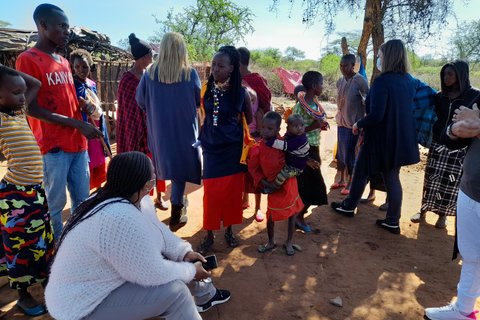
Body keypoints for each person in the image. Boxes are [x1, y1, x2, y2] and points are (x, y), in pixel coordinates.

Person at [45, 152, 231, 320]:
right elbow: (152, 272)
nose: (155, 177)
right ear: (142, 184)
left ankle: (206, 296)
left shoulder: (131, 198)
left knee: (173, 258)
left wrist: (182, 253)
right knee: (176, 293)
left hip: (96, 287)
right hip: (80, 307)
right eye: (151, 174)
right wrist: (191, 272)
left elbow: (157, 230)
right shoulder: (118, 215)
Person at [16, 4, 103, 241]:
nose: (67, 31)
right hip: (53, 147)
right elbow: (30, 108)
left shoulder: (64, 62)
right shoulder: (28, 59)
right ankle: (56, 253)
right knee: (55, 205)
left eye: (68, 26)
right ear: (43, 26)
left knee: (82, 201)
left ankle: (77, 245)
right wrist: (76, 124)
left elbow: (66, 98)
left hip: (78, 144)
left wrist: (82, 105)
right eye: (62, 26)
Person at [331, 39, 420, 235]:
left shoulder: (382, 81)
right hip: (398, 139)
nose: (378, 60)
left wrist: (358, 124)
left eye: (379, 56)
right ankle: (392, 221)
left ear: (387, 58)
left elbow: (377, 115)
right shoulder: (409, 80)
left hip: (378, 139)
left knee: (362, 171)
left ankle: (348, 206)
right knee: (392, 178)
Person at [0, 65, 55, 316]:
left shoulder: (19, 112)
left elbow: (36, 84)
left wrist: (3, 69)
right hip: (14, 195)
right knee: (19, 246)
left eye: (22, 92)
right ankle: (23, 295)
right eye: (15, 92)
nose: (23, 97)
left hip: (35, 192)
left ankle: (47, 281)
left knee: (42, 240)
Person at [136, 32, 202, 231]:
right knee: (179, 173)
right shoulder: (190, 74)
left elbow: (140, 102)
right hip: (184, 131)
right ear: (182, 50)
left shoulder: (150, 73)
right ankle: (176, 213)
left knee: (159, 168)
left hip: (160, 131)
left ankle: (144, 213)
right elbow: (199, 101)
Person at [424, 104, 480, 319]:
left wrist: (477, 126)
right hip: (470, 189)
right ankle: (464, 310)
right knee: (471, 256)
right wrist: (454, 130)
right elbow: (452, 135)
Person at [197, 46, 253, 255]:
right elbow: (203, 113)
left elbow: (249, 119)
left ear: (232, 68)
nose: (215, 69)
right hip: (211, 149)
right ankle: (210, 235)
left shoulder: (241, 93)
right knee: (210, 194)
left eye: (221, 66)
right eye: (213, 65)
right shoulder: (206, 89)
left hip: (232, 150)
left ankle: (229, 231)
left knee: (231, 194)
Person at [410, 60, 480, 229]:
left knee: (450, 183)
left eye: (450, 74)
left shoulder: (473, 96)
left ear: (461, 75)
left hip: (460, 148)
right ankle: (424, 210)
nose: (446, 78)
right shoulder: (440, 96)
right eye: (444, 74)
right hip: (438, 141)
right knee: (430, 179)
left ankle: (443, 215)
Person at [116, 33, 168, 210]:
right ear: (143, 57)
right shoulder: (127, 80)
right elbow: (128, 112)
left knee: (156, 166)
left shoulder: (150, 76)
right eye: (150, 56)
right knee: (139, 168)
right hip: (135, 132)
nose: (152, 58)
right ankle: (138, 201)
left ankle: (159, 198)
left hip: (152, 131)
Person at [248, 111, 304, 255]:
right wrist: (266, 184)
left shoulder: (284, 144)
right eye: (263, 127)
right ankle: (271, 242)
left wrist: (307, 161)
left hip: (288, 183)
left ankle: (289, 242)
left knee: (291, 214)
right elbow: (254, 169)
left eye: (270, 129)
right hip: (271, 186)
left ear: (278, 130)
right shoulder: (257, 148)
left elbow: (297, 156)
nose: (265, 131)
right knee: (271, 216)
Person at [292, 71, 329, 233]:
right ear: (314, 86)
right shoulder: (300, 107)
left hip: (313, 148)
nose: (323, 87)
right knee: (315, 185)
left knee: (307, 184)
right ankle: (299, 216)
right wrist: (314, 127)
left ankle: (297, 214)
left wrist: (320, 126)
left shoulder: (315, 105)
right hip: (303, 150)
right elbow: (294, 131)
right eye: (321, 84)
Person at [70, 49, 111, 190]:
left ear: (90, 66)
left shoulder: (92, 84)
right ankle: (86, 192)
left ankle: (98, 188)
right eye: (77, 67)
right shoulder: (71, 85)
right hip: (83, 127)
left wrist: (92, 109)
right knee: (86, 160)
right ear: (73, 67)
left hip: (97, 124)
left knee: (98, 157)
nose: (81, 70)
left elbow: (97, 106)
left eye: (85, 67)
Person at [238, 46, 271, 223]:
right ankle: (245, 200)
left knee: (257, 170)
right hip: (240, 134)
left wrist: (263, 127)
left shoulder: (256, 80)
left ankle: (258, 207)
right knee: (244, 169)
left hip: (256, 134)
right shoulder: (233, 79)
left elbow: (267, 103)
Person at [331, 54, 369, 195]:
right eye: (341, 66)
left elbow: (367, 101)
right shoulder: (340, 81)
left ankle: (350, 182)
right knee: (340, 153)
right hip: (341, 122)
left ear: (353, 66)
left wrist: (362, 123)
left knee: (350, 154)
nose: (342, 68)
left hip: (353, 124)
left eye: (345, 66)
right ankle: (341, 180)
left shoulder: (361, 81)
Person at [261, 113, 309, 194]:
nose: (299, 128)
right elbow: (285, 138)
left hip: (295, 167)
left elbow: (285, 145)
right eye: (295, 126)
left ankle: (273, 187)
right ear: (288, 128)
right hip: (290, 162)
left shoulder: (301, 140)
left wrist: (271, 142)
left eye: (302, 125)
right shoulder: (291, 135)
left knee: (282, 175)